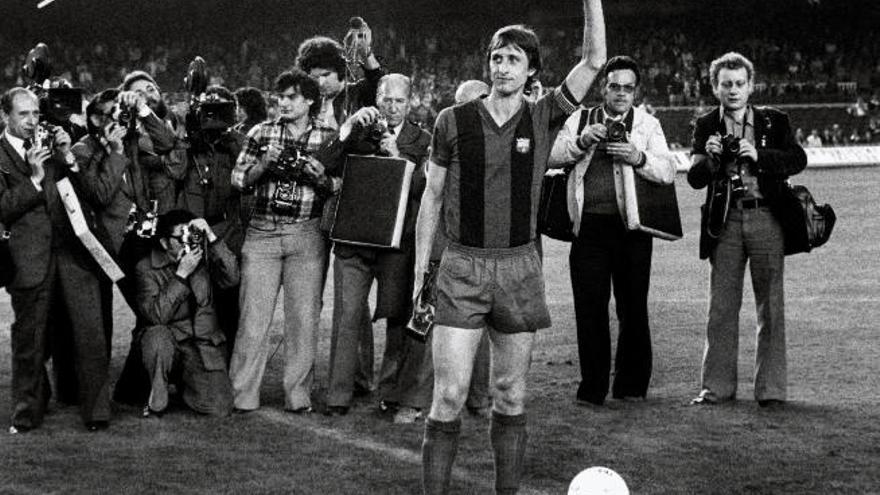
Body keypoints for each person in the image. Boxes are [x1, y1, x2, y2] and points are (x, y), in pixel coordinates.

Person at [412, 1, 607, 492]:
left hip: (520, 266)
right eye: (497, 58)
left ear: (532, 70)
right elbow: (432, 195)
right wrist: (423, 267)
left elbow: (593, 62)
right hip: (461, 266)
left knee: (510, 393)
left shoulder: (542, 117)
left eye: (513, 59)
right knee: (450, 394)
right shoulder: (452, 120)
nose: (502, 67)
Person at [548, 55, 676, 406]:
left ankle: (631, 385)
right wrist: (582, 141)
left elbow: (668, 170)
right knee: (589, 307)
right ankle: (592, 388)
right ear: (603, 87)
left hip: (632, 228)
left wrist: (638, 157)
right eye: (614, 86)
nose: (621, 94)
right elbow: (550, 155)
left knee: (633, 307)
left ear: (636, 92)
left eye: (628, 88)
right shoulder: (580, 118)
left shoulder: (647, 125)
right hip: (588, 227)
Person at [687, 52, 806, 408]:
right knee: (721, 308)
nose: (734, 90)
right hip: (726, 222)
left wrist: (760, 156)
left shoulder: (774, 121)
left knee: (771, 306)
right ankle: (716, 389)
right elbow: (694, 178)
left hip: (768, 218)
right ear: (715, 87)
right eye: (727, 84)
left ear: (751, 86)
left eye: (740, 83)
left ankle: (770, 391)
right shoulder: (706, 123)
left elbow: (797, 159)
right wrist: (708, 159)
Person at [228, 69, 342, 414]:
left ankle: (298, 396)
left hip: (306, 232)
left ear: (310, 99)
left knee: (304, 319)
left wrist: (321, 178)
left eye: (292, 97)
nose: (284, 103)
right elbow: (237, 180)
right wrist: (264, 163)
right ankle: (242, 395)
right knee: (252, 320)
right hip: (262, 230)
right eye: (280, 97)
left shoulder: (329, 136)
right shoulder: (261, 132)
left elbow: (340, 186)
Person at [1, 87, 112, 433]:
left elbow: (81, 193)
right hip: (28, 257)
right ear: (5, 117)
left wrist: (68, 158)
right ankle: (27, 414)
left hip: (71, 250)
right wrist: (34, 182)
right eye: (24, 115)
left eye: (35, 114)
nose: (32, 121)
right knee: (30, 339)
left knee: (90, 331)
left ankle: (96, 413)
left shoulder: (50, 147)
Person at [325, 74, 432, 422]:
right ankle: (338, 395)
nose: (392, 106)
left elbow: (424, 189)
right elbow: (325, 160)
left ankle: (390, 393)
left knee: (397, 318)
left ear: (410, 102)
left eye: (399, 101)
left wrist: (397, 155)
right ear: (377, 99)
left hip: (396, 243)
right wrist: (349, 125)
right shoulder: (358, 128)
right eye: (386, 99)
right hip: (354, 240)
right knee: (347, 317)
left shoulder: (423, 138)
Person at [72, 86, 180, 407]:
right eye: (109, 115)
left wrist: (144, 112)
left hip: (142, 242)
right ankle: (115, 389)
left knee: (150, 313)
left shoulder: (135, 140)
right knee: (123, 317)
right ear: (94, 118)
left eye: (121, 114)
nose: (118, 121)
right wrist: (116, 151)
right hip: (107, 248)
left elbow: (170, 147)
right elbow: (100, 194)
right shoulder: (83, 149)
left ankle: (131, 388)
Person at [135, 210, 238, 417]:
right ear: (164, 243)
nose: (187, 243)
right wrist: (181, 275)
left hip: (201, 345)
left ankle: (187, 387)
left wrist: (210, 236)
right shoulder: (145, 268)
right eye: (180, 238)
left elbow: (232, 277)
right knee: (156, 337)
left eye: (190, 236)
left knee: (220, 406)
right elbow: (156, 316)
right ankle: (158, 399)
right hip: (169, 342)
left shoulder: (204, 257)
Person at [180, 85, 244, 354]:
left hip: (227, 230)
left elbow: (245, 179)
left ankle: (228, 366)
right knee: (196, 300)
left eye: (222, 109)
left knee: (229, 300)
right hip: (192, 229)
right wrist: (192, 133)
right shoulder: (190, 144)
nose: (214, 116)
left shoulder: (238, 143)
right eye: (208, 109)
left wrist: (233, 143)